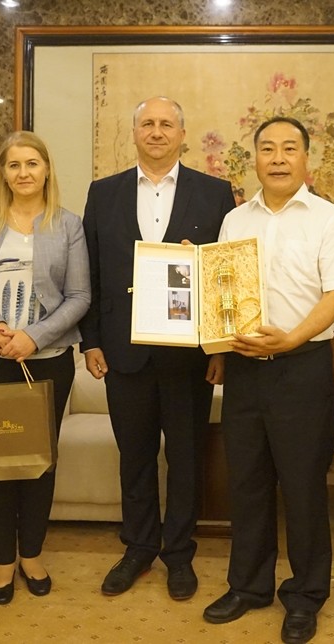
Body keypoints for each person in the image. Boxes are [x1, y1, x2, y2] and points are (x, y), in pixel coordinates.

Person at [201, 116, 334, 644]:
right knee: (246, 483)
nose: (277, 158)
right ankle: (248, 587)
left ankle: (306, 595)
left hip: (302, 368)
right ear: (254, 158)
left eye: (289, 148)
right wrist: (220, 345)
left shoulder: (330, 220)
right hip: (245, 368)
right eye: (267, 148)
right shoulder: (234, 220)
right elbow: (221, 289)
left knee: (303, 487)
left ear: (306, 158)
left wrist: (290, 339)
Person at [78, 96, 235, 600]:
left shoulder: (214, 194)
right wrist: (90, 341)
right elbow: (91, 272)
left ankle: (179, 554)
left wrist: (219, 348)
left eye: (167, 124)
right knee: (135, 457)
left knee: (186, 459)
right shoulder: (104, 193)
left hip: (189, 357)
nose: (157, 131)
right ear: (134, 133)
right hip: (123, 352)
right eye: (147, 123)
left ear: (182, 134)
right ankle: (138, 548)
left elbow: (225, 277)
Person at [0, 131, 90, 605]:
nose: (24, 172)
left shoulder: (68, 225)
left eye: (32, 163)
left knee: (37, 465)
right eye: (14, 165)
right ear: (3, 173)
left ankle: (31, 554)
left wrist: (36, 336)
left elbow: (80, 296)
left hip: (47, 362)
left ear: (46, 170)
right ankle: (2, 563)